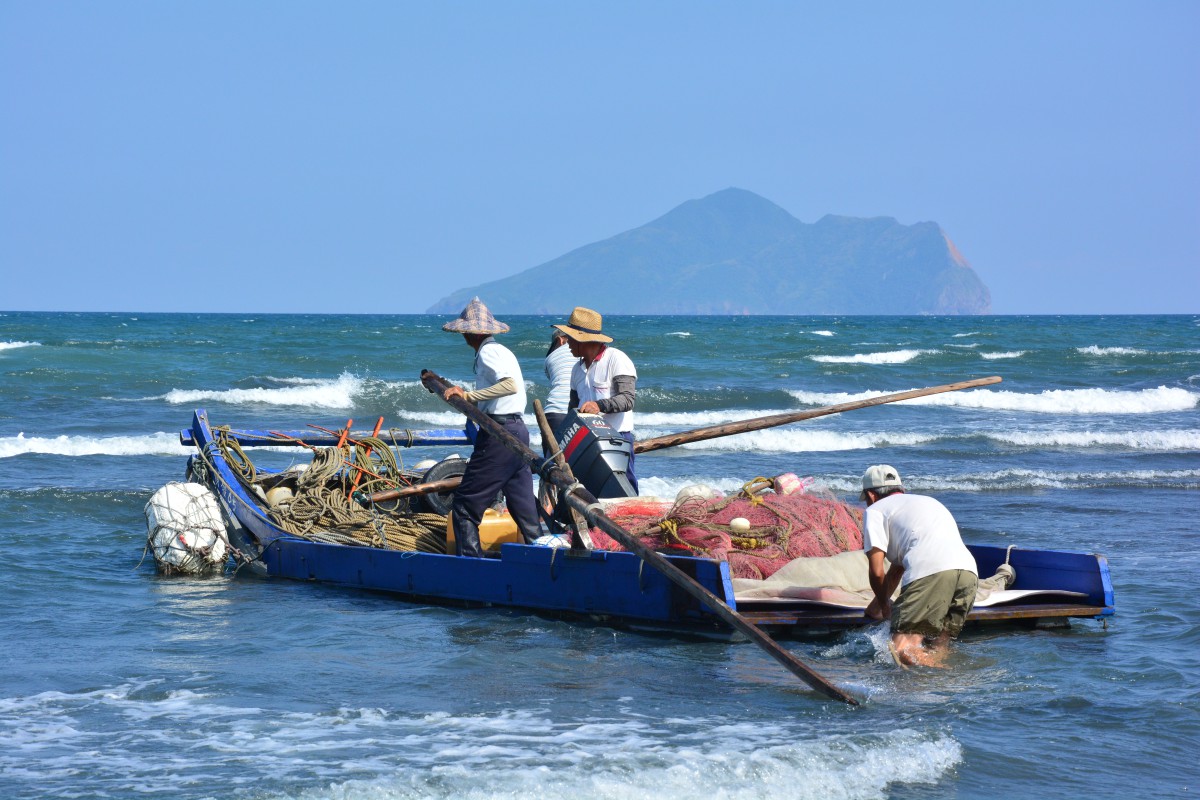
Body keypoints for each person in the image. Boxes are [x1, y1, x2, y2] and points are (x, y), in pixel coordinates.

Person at [440, 297, 541, 557]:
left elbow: (509, 385)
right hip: (517, 430)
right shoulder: (500, 350)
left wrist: (469, 396)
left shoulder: (488, 352)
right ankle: (544, 556)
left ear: (468, 332)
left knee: (464, 507)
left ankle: (471, 567)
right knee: (524, 508)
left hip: (500, 434)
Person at [860, 464, 978, 667]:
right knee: (938, 646)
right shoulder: (925, 502)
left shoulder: (875, 510)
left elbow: (876, 570)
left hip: (931, 572)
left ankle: (960, 676)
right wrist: (877, 606)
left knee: (902, 649)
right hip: (968, 573)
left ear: (871, 495)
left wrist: (886, 608)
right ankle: (944, 690)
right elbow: (897, 568)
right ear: (900, 490)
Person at [553, 307, 639, 492]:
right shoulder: (577, 369)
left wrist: (598, 406)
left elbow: (627, 399)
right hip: (587, 442)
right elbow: (573, 409)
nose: (567, 343)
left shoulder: (616, 359)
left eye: (570, 338)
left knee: (624, 491)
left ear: (583, 339)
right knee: (590, 492)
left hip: (617, 439)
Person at [541, 330, 576, 456]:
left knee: (550, 460)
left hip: (552, 411)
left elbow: (555, 381)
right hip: (576, 412)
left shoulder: (549, 358)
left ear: (559, 340)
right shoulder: (581, 351)